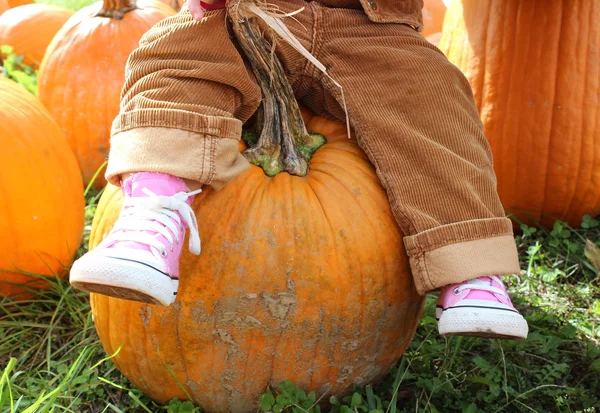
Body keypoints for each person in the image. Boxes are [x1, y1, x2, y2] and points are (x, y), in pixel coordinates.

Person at [70, 0, 529, 340]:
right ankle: (154, 210)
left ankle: (468, 267)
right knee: (178, 57)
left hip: (370, 25)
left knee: (430, 95)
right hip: (239, 14)